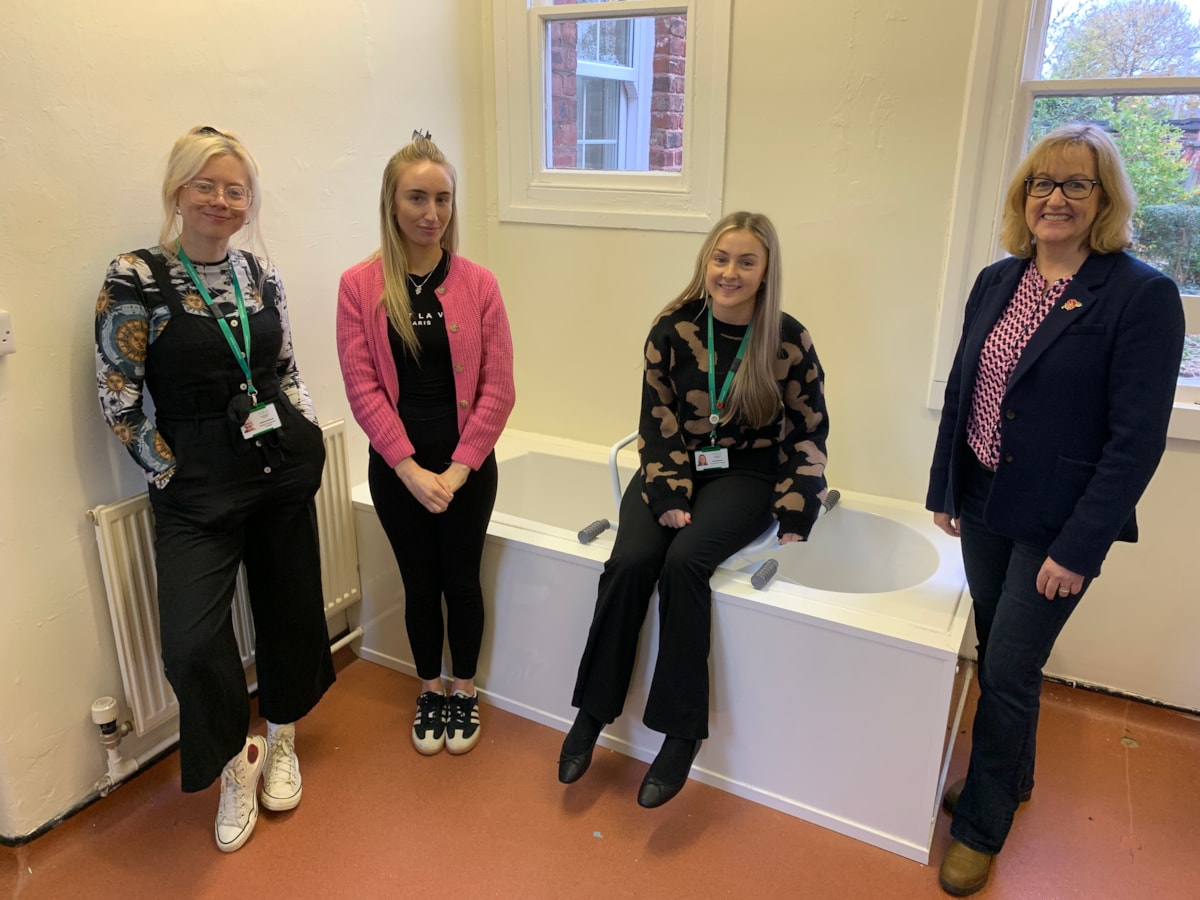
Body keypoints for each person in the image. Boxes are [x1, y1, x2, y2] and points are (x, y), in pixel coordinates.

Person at [927, 123, 1184, 896]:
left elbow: (1134, 443)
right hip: (984, 499)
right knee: (1007, 656)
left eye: (1077, 184)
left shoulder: (1141, 295)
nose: (1055, 198)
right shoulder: (997, 281)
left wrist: (1079, 548)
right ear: (1022, 197)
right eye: (1042, 183)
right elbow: (963, 390)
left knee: (1005, 667)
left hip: (1057, 524)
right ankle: (1016, 775)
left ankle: (982, 822)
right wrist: (946, 491)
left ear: (1105, 199)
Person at [94, 126, 336, 853]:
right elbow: (118, 395)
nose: (222, 200)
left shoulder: (262, 275)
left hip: (277, 469)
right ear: (177, 191)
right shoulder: (134, 276)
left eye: (235, 189)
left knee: (290, 611)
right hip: (196, 486)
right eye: (207, 185)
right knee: (193, 642)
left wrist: (307, 434)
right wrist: (168, 472)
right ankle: (237, 760)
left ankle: (282, 733)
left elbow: (286, 367)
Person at [558, 211, 829, 808]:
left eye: (746, 262)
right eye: (721, 258)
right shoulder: (672, 329)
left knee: (684, 564)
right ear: (706, 262)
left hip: (747, 475)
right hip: (671, 466)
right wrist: (673, 493)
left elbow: (809, 430)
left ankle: (681, 732)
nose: (730, 272)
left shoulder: (787, 337)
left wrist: (795, 507)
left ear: (766, 272)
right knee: (630, 561)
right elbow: (654, 426)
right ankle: (592, 712)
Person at [336, 133, 515, 758]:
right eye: (417, 197)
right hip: (398, 470)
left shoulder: (479, 284)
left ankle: (463, 689)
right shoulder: (359, 286)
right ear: (392, 201)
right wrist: (410, 469)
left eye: (442, 198)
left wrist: (460, 470)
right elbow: (362, 388)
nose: (431, 212)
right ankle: (431, 687)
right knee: (419, 584)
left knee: (460, 582)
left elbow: (499, 388)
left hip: (467, 468)